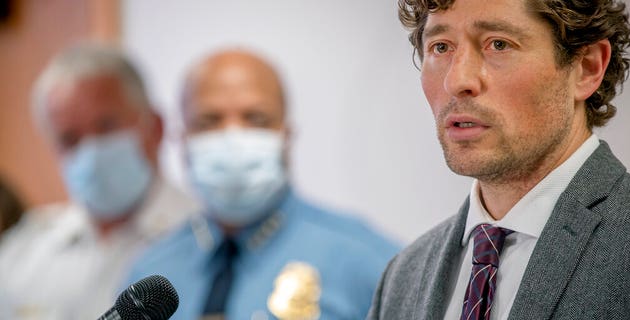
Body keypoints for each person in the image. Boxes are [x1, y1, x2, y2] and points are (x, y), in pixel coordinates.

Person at [368, 0, 630, 319]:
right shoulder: (402, 278)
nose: (457, 81)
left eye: (498, 44)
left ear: (587, 67)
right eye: (441, 47)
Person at [126, 49, 399, 320]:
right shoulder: (149, 280)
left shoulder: (368, 264)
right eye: (209, 121)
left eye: (256, 119)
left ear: (287, 136)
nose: (232, 139)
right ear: (182, 139)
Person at [0, 44, 199, 320]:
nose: (90, 152)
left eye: (106, 126)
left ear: (155, 126)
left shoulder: (208, 237)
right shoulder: (22, 256)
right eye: (70, 139)